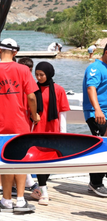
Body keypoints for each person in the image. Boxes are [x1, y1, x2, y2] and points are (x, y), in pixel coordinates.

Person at [0, 38, 40, 213]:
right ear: (15, 52)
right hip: (20, 122)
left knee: (5, 162)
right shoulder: (23, 69)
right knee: (19, 161)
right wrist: (34, 114)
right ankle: (20, 201)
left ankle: (7, 200)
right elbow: (31, 96)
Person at [30, 61, 70, 205]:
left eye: (42, 75)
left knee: (51, 161)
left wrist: (63, 133)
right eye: (36, 75)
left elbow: (62, 113)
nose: (39, 77)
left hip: (53, 129)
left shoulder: (59, 90)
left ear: (49, 74)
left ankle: (40, 190)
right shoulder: (33, 89)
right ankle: (44, 192)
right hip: (37, 130)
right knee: (40, 161)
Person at [82, 47, 107, 197]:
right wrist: (97, 109)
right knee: (102, 147)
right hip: (96, 114)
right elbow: (91, 88)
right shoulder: (95, 68)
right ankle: (95, 183)